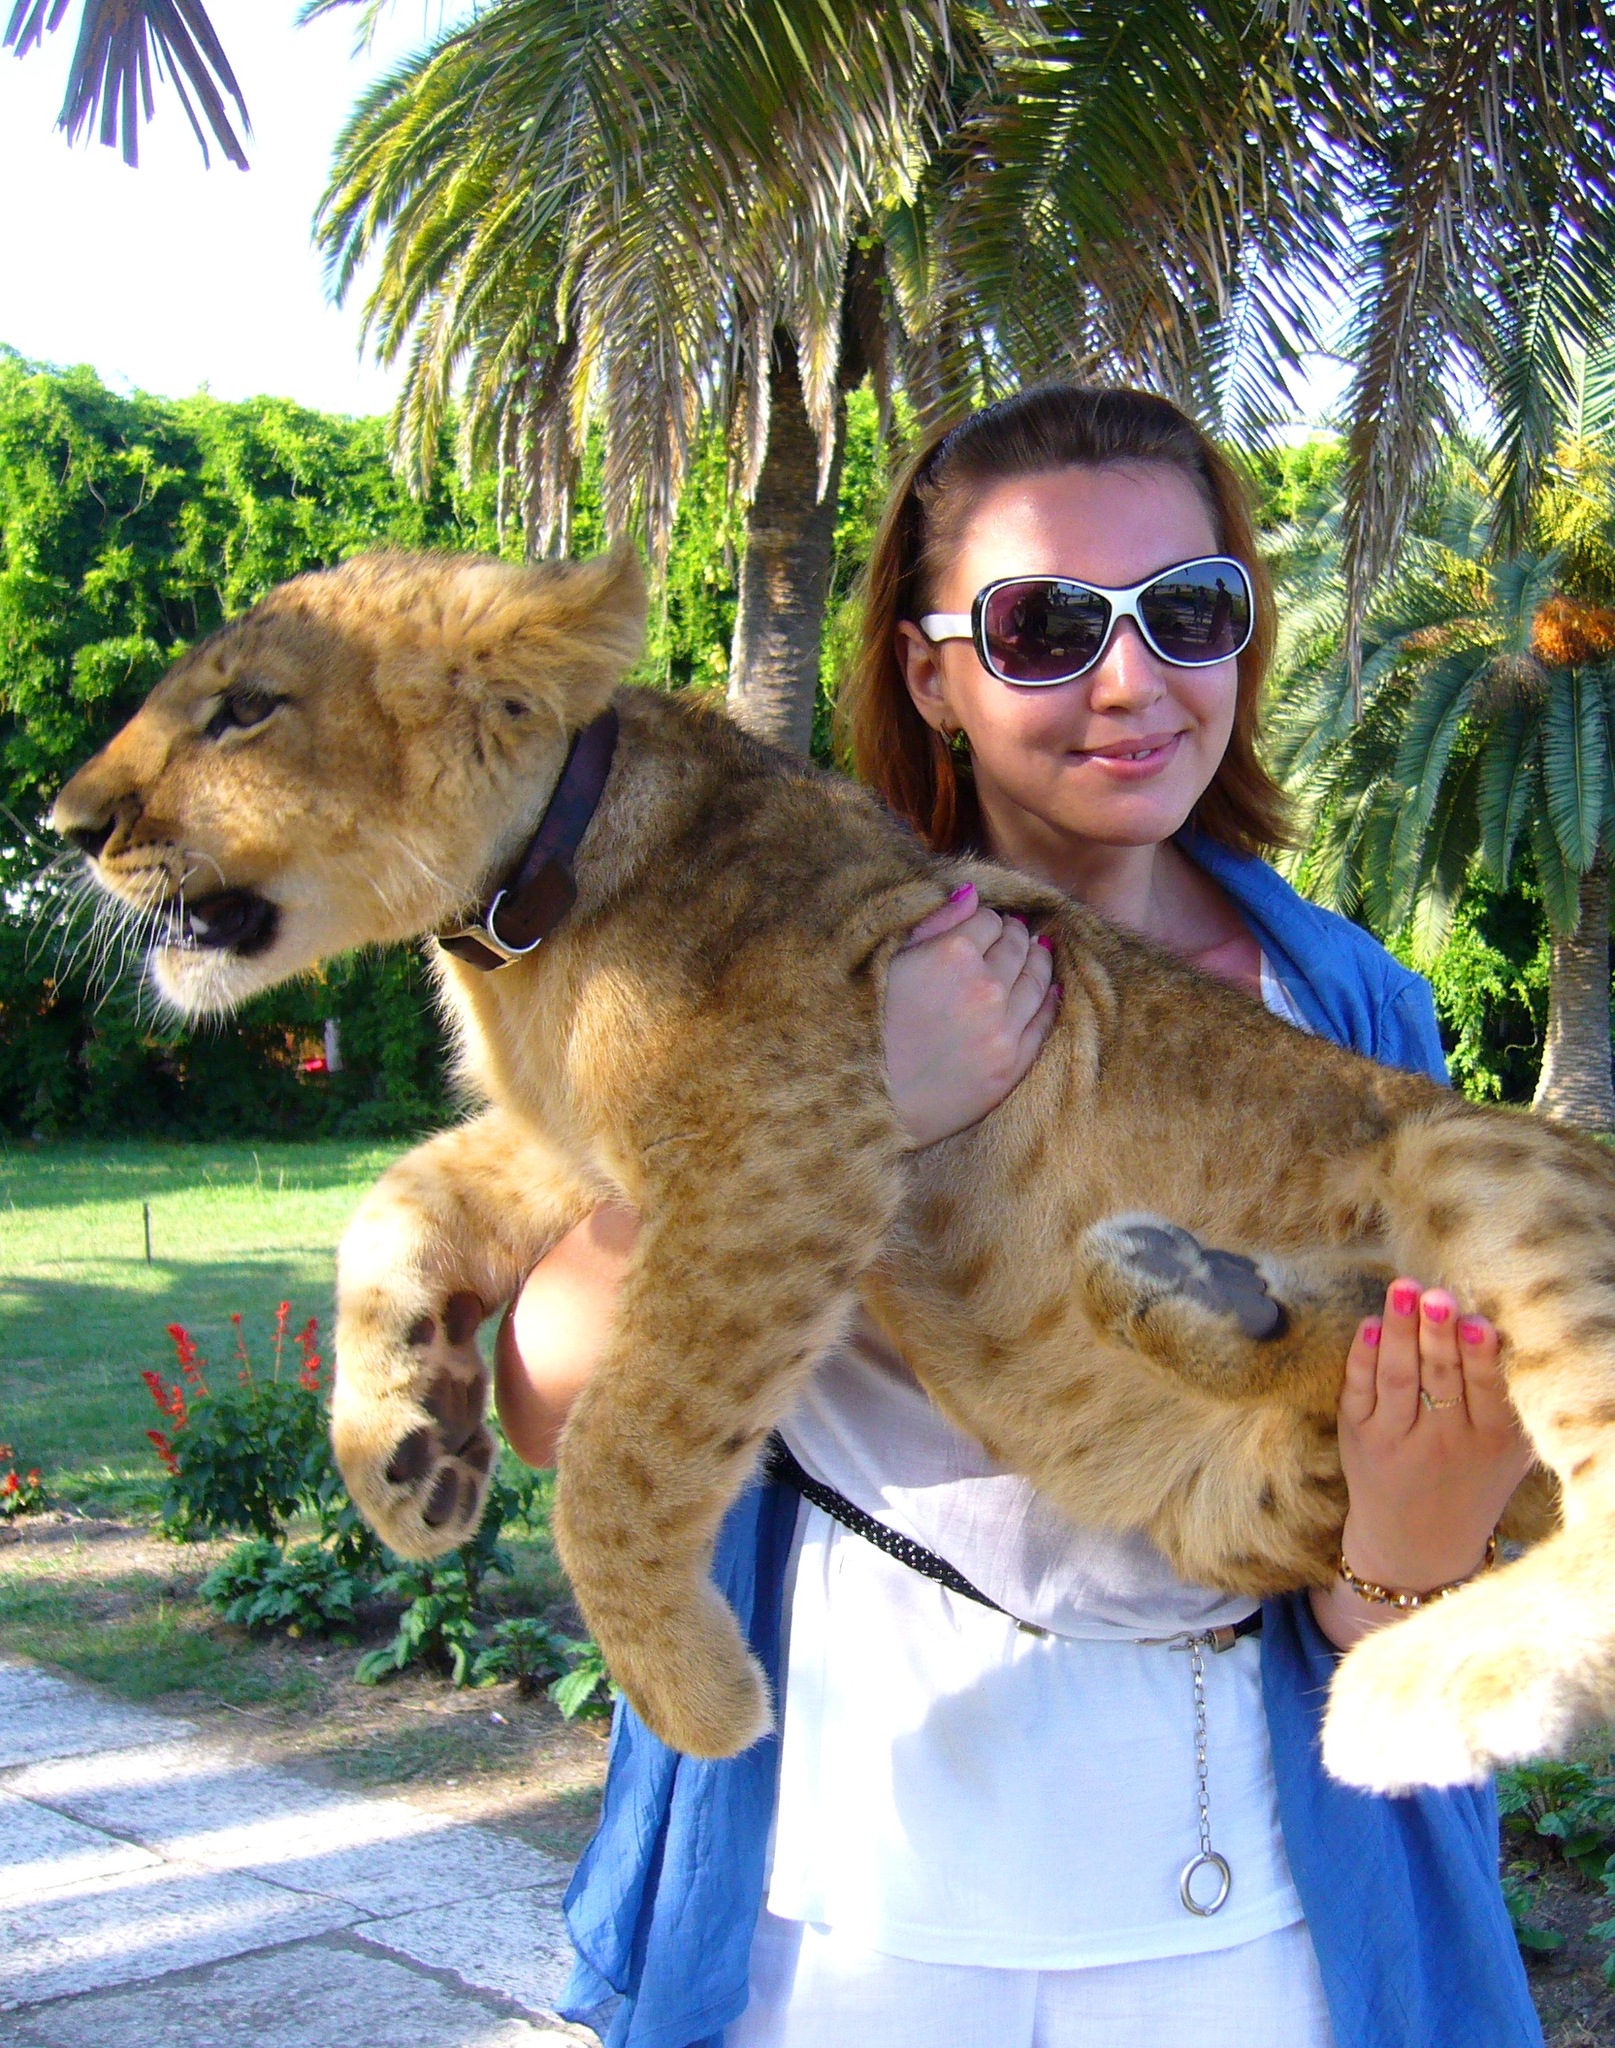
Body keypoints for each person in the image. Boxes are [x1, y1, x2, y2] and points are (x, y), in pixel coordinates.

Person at [494, 386, 1544, 2048]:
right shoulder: (763, 961)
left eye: (1187, 611)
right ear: (932, 676)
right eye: (1045, 627)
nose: (1131, 682)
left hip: (1258, 1904)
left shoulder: (1353, 1011)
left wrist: (1413, 1558)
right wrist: (858, 1105)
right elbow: (548, 1395)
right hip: (839, 1905)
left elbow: (1399, 1560)